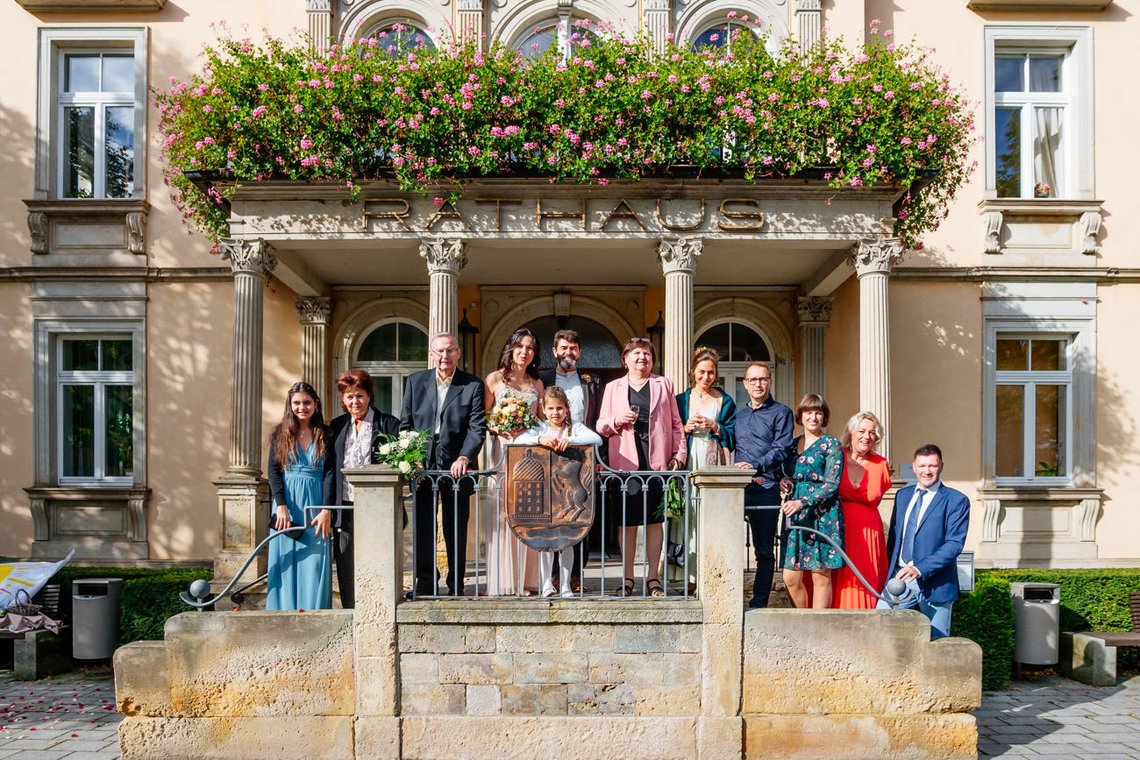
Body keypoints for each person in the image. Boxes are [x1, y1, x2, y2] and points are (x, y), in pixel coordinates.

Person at [596, 337, 686, 597]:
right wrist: (616, 420)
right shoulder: (613, 387)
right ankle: (627, 578)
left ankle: (653, 578)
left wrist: (678, 457)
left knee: (654, 521)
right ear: (625, 359)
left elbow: (676, 424)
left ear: (652, 359)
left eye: (646, 354)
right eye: (636, 354)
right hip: (626, 463)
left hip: (656, 461)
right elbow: (601, 425)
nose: (641, 358)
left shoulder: (663, 384)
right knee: (628, 522)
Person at [401, 333, 487, 596]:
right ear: (431, 354)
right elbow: (406, 425)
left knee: (456, 527)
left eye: (449, 351)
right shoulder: (415, 382)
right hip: (422, 466)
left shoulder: (472, 385)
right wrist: (413, 455)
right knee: (424, 526)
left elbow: (477, 428)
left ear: (458, 353)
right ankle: (426, 583)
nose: (444, 357)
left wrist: (465, 457)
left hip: (456, 466)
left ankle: (456, 585)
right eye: (439, 351)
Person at [322, 370, 400, 609]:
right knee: (345, 559)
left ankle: (378, 605)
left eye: (359, 395)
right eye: (349, 397)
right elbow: (330, 470)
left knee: (378, 556)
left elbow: (399, 461)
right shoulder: (336, 426)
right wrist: (328, 506)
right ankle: (350, 608)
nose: (355, 401)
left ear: (369, 396)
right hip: (344, 504)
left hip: (377, 505)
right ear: (343, 400)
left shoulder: (388, 423)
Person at [516, 386, 602, 598]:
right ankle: (546, 584)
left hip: (565, 493)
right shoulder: (539, 428)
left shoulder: (576, 428)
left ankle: (565, 584)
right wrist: (539, 440)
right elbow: (516, 441)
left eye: (560, 408)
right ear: (544, 410)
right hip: (547, 493)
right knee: (545, 543)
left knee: (568, 541)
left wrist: (570, 440)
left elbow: (597, 439)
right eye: (551, 408)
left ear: (567, 409)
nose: (556, 413)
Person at [879, 444, 970, 639]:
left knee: (937, 642)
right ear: (914, 467)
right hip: (899, 579)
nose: (927, 471)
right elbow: (895, 538)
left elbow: (954, 544)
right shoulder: (902, 495)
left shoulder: (956, 500)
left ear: (941, 467)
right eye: (922, 466)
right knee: (880, 630)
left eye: (932, 466)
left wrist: (920, 568)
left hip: (936, 583)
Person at [539, 328, 604, 592]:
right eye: (563, 348)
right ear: (554, 351)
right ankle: (551, 578)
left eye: (573, 348)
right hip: (549, 457)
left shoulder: (591, 381)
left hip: (580, 453)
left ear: (579, 352)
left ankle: (575, 577)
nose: (569, 353)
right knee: (550, 517)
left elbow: (596, 420)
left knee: (580, 515)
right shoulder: (542, 378)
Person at [484, 328, 545, 595]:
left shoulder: (537, 384)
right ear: (511, 348)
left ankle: (527, 580)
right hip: (504, 453)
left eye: (530, 348)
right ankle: (505, 580)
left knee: (528, 514)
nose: (524, 351)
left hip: (530, 454)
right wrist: (498, 427)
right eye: (520, 346)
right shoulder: (495, 379)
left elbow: (542, 420)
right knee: (504, 514)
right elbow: (482, 417)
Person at [673, 347, 736, 589]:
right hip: (688, 460)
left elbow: (733, 433)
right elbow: (671, 430)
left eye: (710, 373)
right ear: (693, 372)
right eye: (701, 372)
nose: (706, 377)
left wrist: (715, 426)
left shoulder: (725, 401)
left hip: (712, 460)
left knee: (709, 515)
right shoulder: (681, 399)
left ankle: (709, 573)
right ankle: (687, 575)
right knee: (687, 515)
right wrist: (685, 428)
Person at [734, 361, 794, 608]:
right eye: (753, 380)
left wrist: (756, 466)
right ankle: (728, 599)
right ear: (745, 384)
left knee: (764, 551)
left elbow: (782, 449)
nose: (758, 384)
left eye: (763, 379)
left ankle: (759, 602)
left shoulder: (782, 413)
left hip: (766, 489)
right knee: (727, 546)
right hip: (736, 491)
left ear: (769, 382)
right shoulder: (740, 416)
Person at [267, 381, 332, 611]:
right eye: (296, 403)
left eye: (306, 402)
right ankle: (282, 614)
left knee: (314, 560)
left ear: (316, 404)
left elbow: (330, 474)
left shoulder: (326, 433)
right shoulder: (279, 434)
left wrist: (327, 509)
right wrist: (281, 506)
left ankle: (314, 614)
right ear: (290, 405)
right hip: (287, 504)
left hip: (316, 504)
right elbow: (273, 472)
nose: (301, 407)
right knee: (285, 558)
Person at [780, 393, 844, 610]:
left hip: (823, 514)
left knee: (821, 574)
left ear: (824, 417)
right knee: (790, 577)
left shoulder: (832, 445)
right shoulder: (791, 445)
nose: (813, 417)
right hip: (795, 514)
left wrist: (802, 501)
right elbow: (786, 473)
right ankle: (802, 621)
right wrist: (785, 482)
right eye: (808, 412)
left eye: (818, 412)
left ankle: (819, 627)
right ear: (801, 415)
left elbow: (832, 484)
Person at [832, 411, 892, 609]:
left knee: (866, 578)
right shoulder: (836, 456)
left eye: (872, 433)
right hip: (840, 528)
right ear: (851, 433)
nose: (867, 436)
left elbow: (878, 496)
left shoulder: (881, 464)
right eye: (862, 431)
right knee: (841, 579)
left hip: (869, 532)